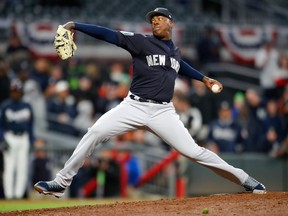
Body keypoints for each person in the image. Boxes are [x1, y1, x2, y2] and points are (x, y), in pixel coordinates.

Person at [34, 7, 266, 198]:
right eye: (152, 19)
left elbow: (179, 65)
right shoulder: (141, 42)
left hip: (163, 112)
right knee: (94, 132)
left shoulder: (174, 51)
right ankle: (61, 182)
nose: (154, 22)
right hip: (133, 106)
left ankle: (245, 180)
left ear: (171, 24)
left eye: (159, 18)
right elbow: (109, 34)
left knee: (194, 151)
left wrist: (203, 78)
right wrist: (76, 25)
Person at [0, 79, 34, 199]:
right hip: (10, 137)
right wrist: (2, 139)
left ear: (21, 92)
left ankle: (18, 196)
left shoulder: (27, 106)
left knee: (22, 168)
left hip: (23, 137)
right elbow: (1, 125)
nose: (15, 93)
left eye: (17, 91)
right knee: (10, 167)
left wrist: (31, 141)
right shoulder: (5, 106)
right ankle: (9, 196)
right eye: (13, 91)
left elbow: (30, 125)